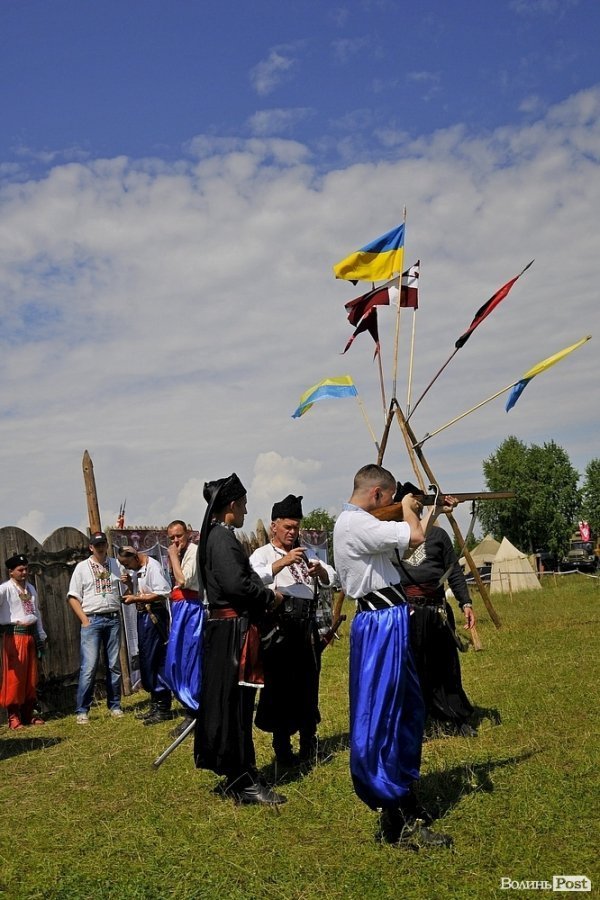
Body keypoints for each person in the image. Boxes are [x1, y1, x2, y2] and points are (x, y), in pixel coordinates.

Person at [333, 464, 453, 849]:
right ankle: (396, 816)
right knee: (386, 716)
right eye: (389, 499)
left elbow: (414, 538)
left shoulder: (358, 524)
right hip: (382, 625)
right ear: (377, 496)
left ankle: (403, 797)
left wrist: (432, 508)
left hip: (389, 622)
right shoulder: (356, 524)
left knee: (406, 711)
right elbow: (414, 534)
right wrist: (410, 506)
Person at [195, 473, 286, 805]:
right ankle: (242, 781)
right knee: (235, 706)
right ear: (232, 505)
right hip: (233, 635)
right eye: (244, 504)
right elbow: (237, 586)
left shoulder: (220, 537)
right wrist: (268, 598)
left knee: (237, 705)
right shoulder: (221, 539)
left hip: (230, 632)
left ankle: (241, 772)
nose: (247, 509)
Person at [249, 494, 336, 765]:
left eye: (296, 527)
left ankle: (309, 745)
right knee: (279, 689)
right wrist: (282, 563)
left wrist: (320, 572)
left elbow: (332, 577)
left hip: (306, 628)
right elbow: (253, 580)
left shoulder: (306, 553)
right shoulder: (261, 555)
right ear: (274, 526)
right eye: (288, 527)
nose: (293, 532)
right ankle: (283, 750)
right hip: (279, 628)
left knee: (308, 686)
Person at [397, 518, 477, 737]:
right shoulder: (392, 535)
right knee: (411, 669)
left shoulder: (438, 535)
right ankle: (416, 723)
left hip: (437, 609)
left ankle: (457, 717)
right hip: (405, 611)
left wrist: (465, 602)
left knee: (446, 666)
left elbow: (454, 572)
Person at [67, 532, 124, 724]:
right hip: (92, 619)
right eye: (96, 544)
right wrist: (84, 620)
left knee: (114, 665)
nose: (100, 547)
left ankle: (115, 705)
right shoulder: (82, 568)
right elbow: (73, 597)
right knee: (89, 667)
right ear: (91, 547)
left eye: (103, 544)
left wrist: (129, 583)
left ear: (107, 545)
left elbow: (126, 587)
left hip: (113, 618)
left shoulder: (115, 564)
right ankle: (82, 710)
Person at [117, 546, 173, 725]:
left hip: (154, 617)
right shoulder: (137, 570)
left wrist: (136, 599)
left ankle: (163, 706)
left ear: (134, 556)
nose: (127, 568)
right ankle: (155, 704)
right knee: (147, 660)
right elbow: (139, 590)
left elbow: (163, 593)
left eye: (127, 563)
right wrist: (129, 586)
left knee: (156, 659)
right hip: (144, 617)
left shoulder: (153, 567)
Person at [165, 520, 204, 738]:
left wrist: (172, 555)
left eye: (178, 536)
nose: (175, 541)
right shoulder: (179, 554)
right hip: (180, 609)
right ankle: (190, 705)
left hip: (190, 610)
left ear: (187, 534)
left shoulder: (193, 552)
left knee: (189, 660)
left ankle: (194, 711)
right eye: (171, 538)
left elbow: (183, 580)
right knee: (175, 660)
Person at [0, 554, 47, 729]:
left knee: (31, 677)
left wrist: (41, 634)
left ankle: (28, 714)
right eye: (20, 570)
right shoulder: (5, 589)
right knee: (15, 677)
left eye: (26, 569)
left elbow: (37, 613)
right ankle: (13, 717)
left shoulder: (31, 589)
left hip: (30, 635)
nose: (24, 572)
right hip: (14, 636)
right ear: (11, 572)